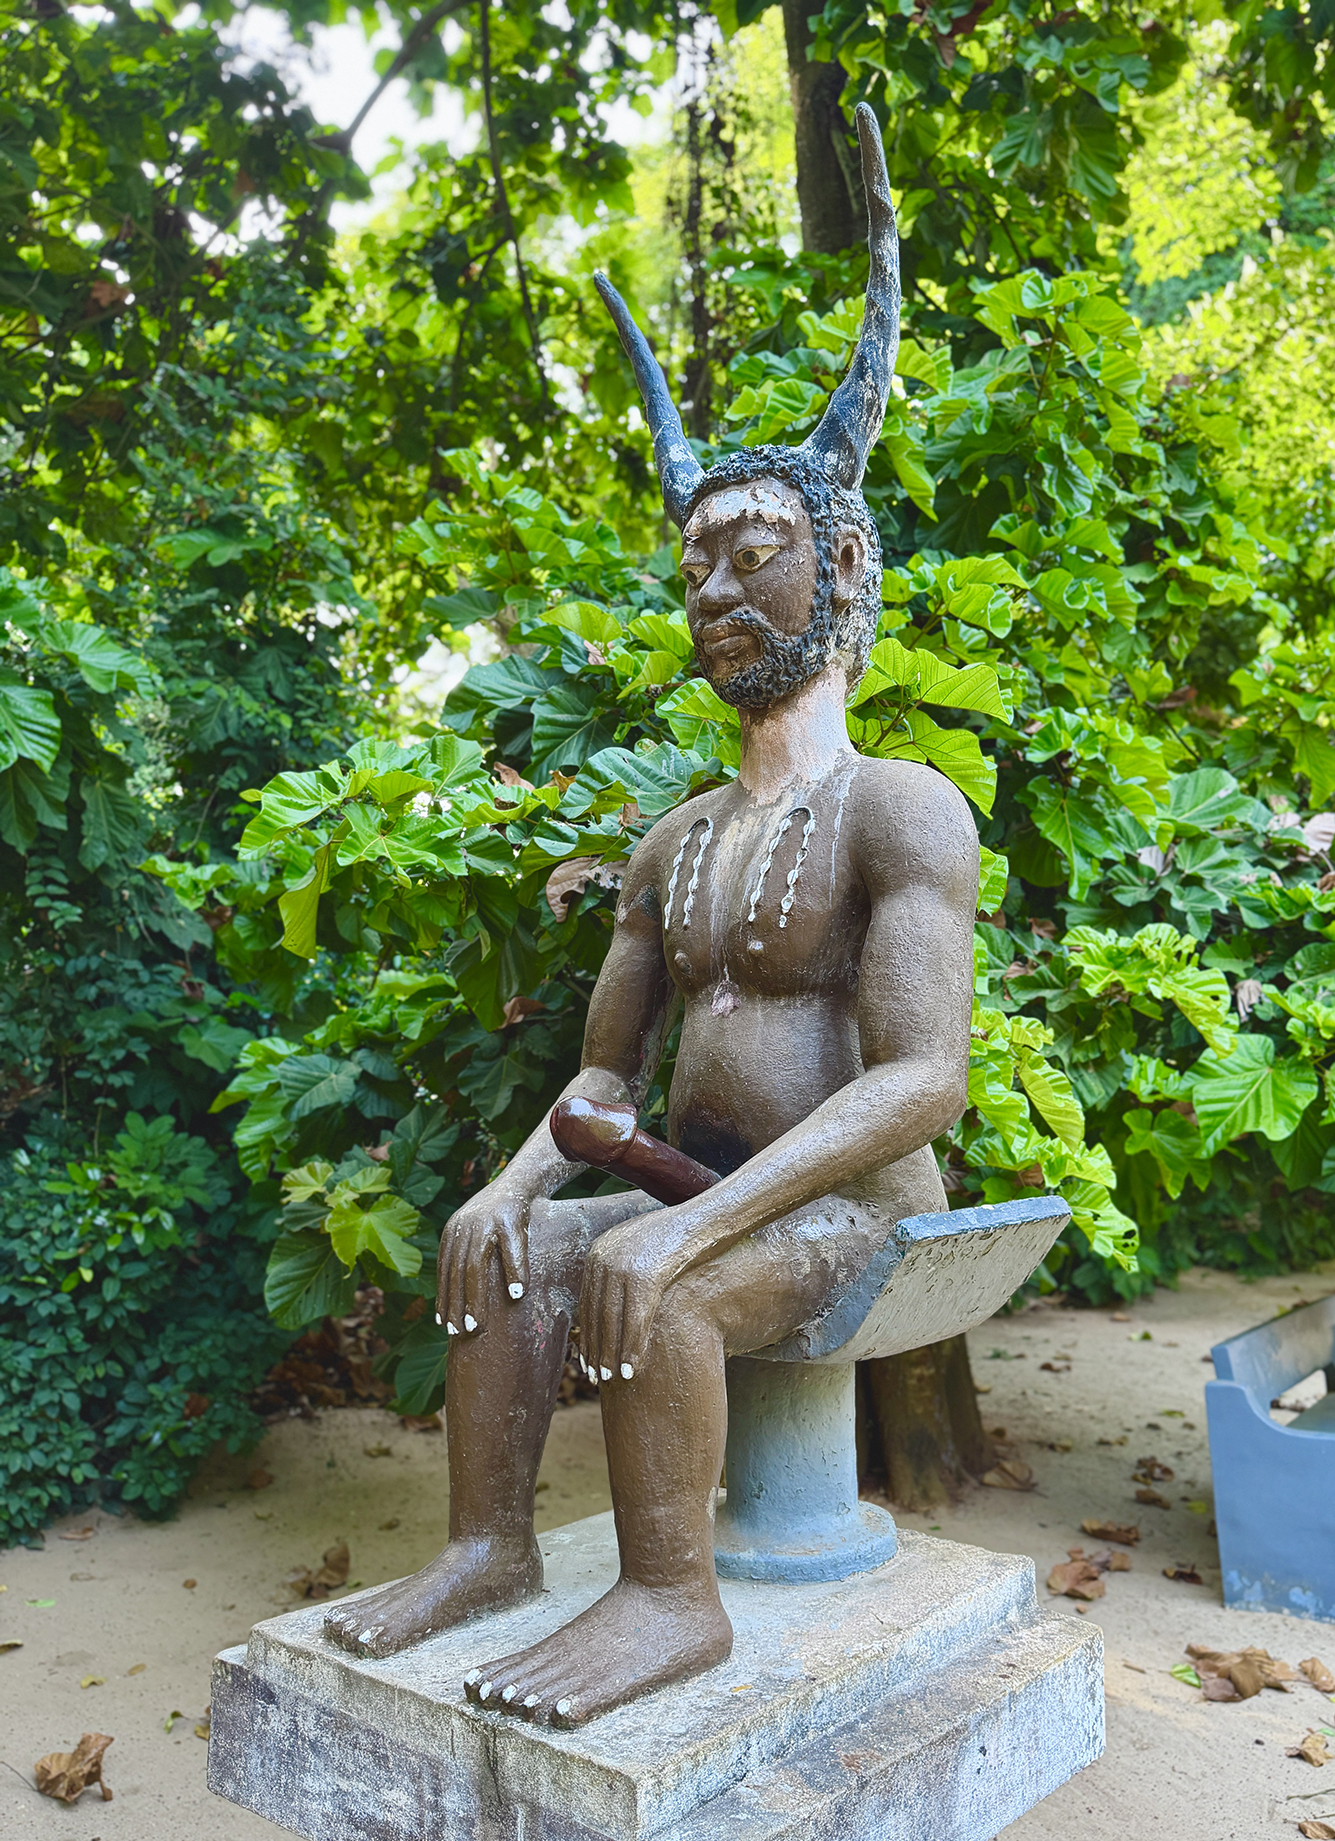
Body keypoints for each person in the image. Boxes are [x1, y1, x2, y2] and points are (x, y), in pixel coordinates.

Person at [325, 106, 979, 1727]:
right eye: (694, 565)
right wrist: (514, 1179)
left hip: (853, 1211)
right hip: (696, 1192)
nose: (714, 590)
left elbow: (923, 1081)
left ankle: (670, 1601)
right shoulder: (676, 839)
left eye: (752, 552)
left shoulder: (900, 807)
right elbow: (607, 1077)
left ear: (840, 567)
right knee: (510, 1257)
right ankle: (486, 1552)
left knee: (659, 1279)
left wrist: (695, 1225)